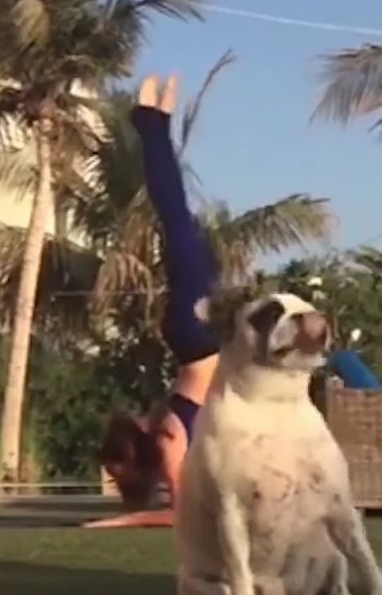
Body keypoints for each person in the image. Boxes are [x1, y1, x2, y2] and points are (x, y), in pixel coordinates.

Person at [85, 75, 221, 528]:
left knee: (176, 218)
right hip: (196, 335)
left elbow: (180, 515)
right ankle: (154, 124)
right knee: (179, 220)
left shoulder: (166, 440)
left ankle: (151, 123)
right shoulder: (162, 430)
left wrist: (119, 523)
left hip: (197, 335)